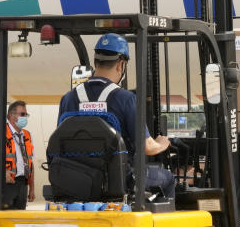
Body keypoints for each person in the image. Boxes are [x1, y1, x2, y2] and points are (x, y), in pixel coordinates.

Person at [58, 33, 175, 199]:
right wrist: (162, 143)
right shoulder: (126, 99)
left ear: (96, 61)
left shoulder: (68, 99)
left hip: (76, 179)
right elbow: (147, 147)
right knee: (168, 179)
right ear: (121, 65)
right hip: (117, 180)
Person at [0, 100, 35, 209]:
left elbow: (30, 164)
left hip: (22, 184)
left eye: (26, 115)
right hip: (6, 183)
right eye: (23, 114)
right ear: (12, 115)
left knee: (19, 220)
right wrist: (2, 173)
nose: (25, 118)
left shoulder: (27, 135)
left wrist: (32, 187)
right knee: (6, 219)